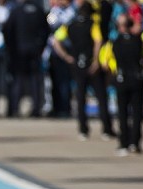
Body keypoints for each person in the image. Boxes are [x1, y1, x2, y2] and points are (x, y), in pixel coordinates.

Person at [51, 0, 115, 139]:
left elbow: (55, 40)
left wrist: (66, 57)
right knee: (101, 97)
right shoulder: (93, 25)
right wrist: (96, 60)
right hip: (91, 64)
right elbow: (98, 41)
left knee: (81, 97)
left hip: (77, 64)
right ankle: (106, 129)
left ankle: (83, 130)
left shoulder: (70, 25)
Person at [109, 12, 143, 154]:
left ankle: (123, 142)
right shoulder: (138, 41)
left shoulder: (116, 42)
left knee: (122, 113)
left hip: (122, 78)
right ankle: (135, 142)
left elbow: (110, 61)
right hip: (136, 78)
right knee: (137, 112)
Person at [3, 0, 50, 117]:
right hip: (34, 50)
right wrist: (41, 46)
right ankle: (36, 109)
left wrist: (10, 49)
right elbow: (46, 30)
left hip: (19, 51)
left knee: (18, 79)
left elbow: (7, 30)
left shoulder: (16, 11)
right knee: (35, 80)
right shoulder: (38, 10)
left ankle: (14, 109)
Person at [47, 0, 76, 117]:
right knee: (55, 81)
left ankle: (65, 108)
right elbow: (51, 23)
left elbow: (66, 23)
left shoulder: (73, 10)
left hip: (67, 49)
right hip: (54, 52)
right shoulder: (55, 11)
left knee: (65, 81)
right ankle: (56, 107)